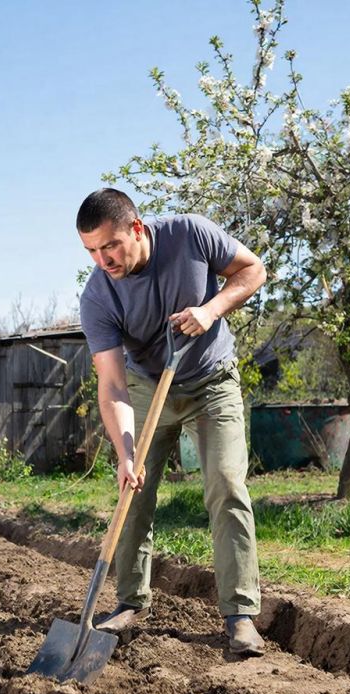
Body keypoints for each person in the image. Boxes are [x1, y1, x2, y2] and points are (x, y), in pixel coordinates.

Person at [77, 188, 267, 656]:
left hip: (211, 381)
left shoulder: (190, 235)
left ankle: (240, 615)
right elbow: (112, 386)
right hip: (146, 387)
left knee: (226, 483)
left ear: (137, 229)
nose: (103, 260)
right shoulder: (98, 296)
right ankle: (130, 601)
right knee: (133, 490)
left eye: (110, 246)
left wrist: (211, 310)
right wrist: (125, 454)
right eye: (92, 251)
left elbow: (253, 270)